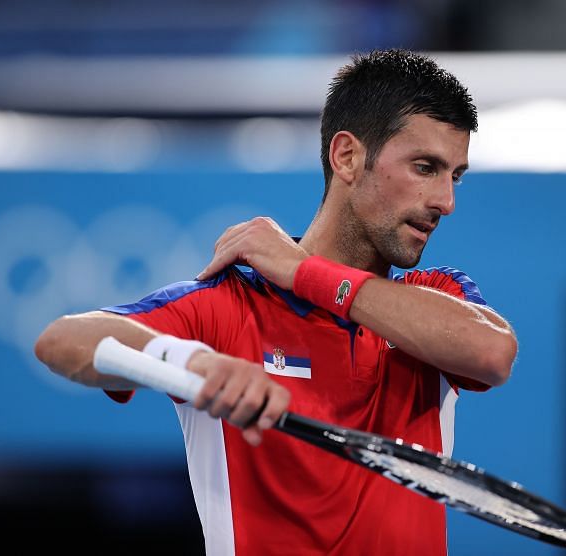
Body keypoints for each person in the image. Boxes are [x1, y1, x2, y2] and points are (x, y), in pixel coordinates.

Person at [35, 49, 517, 556]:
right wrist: (189, 361)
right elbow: (62, 341)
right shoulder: (229, 306)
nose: (446, 201)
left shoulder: (436, 296)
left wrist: (305, 273)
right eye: (426, 168)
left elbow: (492, 353)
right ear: (347, 156)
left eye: (454, 176)